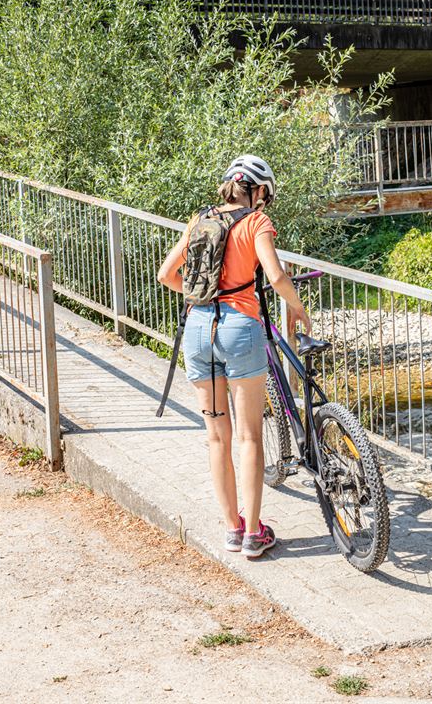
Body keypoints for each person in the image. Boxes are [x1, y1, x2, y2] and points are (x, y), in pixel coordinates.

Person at [157, 154, 311, 559]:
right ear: (258, 190)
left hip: (197, 330)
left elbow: (166, 275)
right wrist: (296, 308)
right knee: (249, 437)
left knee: (216, 437)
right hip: (240, 330)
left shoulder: (199, 220)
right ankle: (254, 533)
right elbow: (275, 276)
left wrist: (204, 300)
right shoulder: (255, 222)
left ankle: (232, 528)